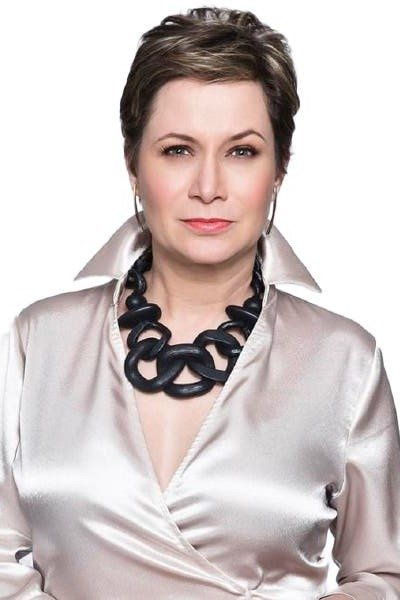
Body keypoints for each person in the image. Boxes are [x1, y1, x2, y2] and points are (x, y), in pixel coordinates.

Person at [1, 6, 399, 600]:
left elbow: (385, 576)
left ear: (280, 168)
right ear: (133, 164)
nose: (208, 187)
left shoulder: (344, 360)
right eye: (178, 150)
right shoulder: (38, 339)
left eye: (241, 152)